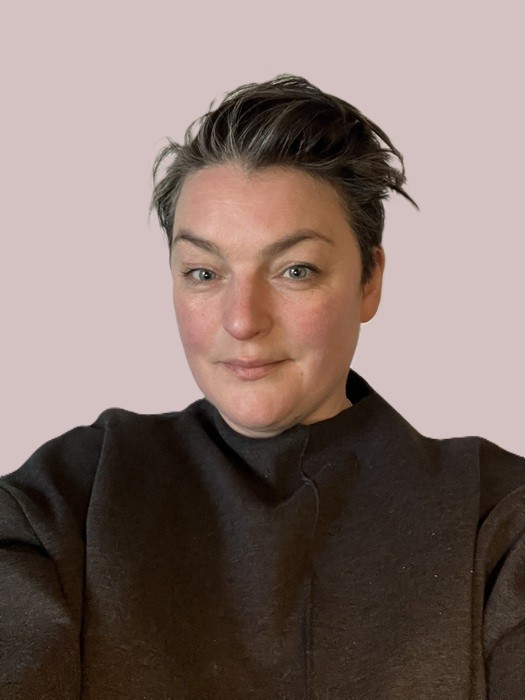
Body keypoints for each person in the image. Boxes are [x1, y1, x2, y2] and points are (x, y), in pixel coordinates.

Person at [1, 75, 524, 699]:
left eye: (295, 270)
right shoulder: (62, 504)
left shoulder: (497, 520)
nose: (243, 320)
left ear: (369, 282)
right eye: (204, 272)